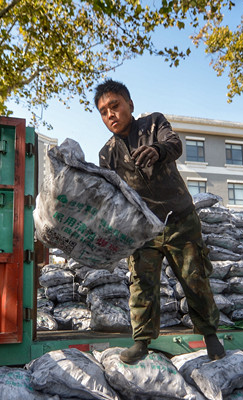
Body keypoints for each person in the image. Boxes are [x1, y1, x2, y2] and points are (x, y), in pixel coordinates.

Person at [94, 79, 225, 363]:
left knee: (194, 279)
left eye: (115, 106)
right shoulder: (107, 154)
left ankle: (211, 337)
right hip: (143, 228)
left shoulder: (154, 124)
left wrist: (158, 151)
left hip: (180, 219)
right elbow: (111, 194)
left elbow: (174, 144)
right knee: (142, 284)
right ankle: (141, 343)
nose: (111, 115)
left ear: (130, 104)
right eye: (104, 112)